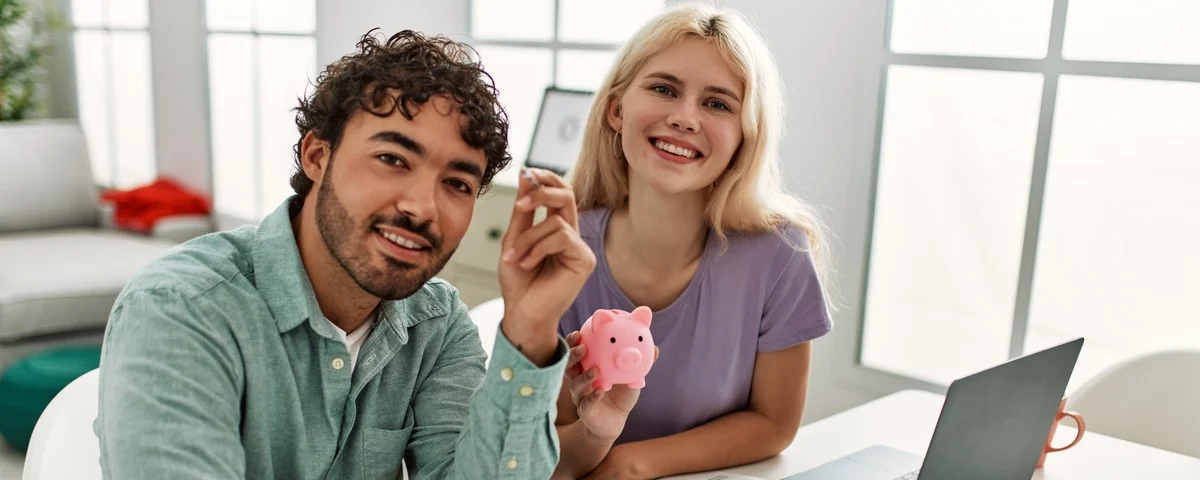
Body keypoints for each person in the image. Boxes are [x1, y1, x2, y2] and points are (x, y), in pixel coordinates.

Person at [94, 29, 601, 479]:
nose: (422, 207)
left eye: (456, 183)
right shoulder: (182, 309)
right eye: (391, 158)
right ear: (317, 156)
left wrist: (531, 327)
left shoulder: (437, 325)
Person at [550, 4, 835, 478]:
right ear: (617, 110)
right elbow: (550, 447)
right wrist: (599, 438)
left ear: (746, 134)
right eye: (664, 89)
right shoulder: (564, 248)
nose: (685, 118)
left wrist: (634, 463)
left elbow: (774, 423)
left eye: (718, 103)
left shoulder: (781, 256)